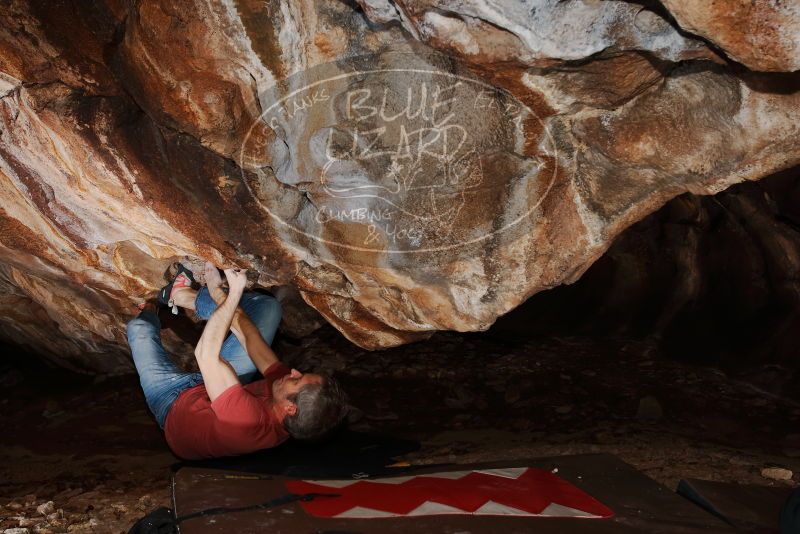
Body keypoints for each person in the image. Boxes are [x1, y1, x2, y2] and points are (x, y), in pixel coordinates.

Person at [126, 261, 347, 459]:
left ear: (290, 408)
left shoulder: (246, 422)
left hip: (169, 402)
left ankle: (151, 310)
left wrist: (233, 295)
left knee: (139, 328)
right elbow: (248, 336)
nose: (295, 371)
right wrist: (217, 292)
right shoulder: (286, 393)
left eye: (297, 380)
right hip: (219, 388)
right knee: (268, 308)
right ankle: (180, 295)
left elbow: (205, 354)